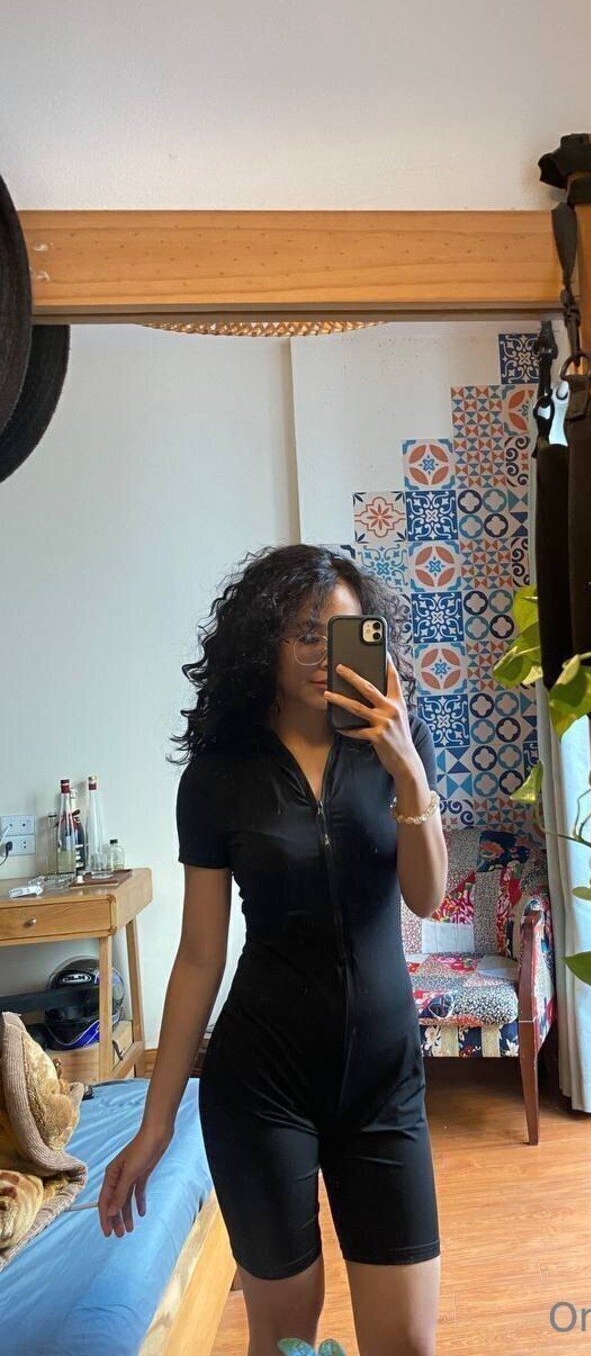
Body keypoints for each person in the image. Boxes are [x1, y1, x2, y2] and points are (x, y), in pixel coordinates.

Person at [97, 544, 448, 1356]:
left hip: (384, 1083)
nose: (325, 654)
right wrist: (156, 1124)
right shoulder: (219, 777)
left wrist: (406, 770)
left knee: (408, 1343)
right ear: (263, 644)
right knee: (286, 1337)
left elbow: (426, 897)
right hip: (262, 1086)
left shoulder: (400, 747)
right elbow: (198, 956)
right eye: (303, 634)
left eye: (342, 633)